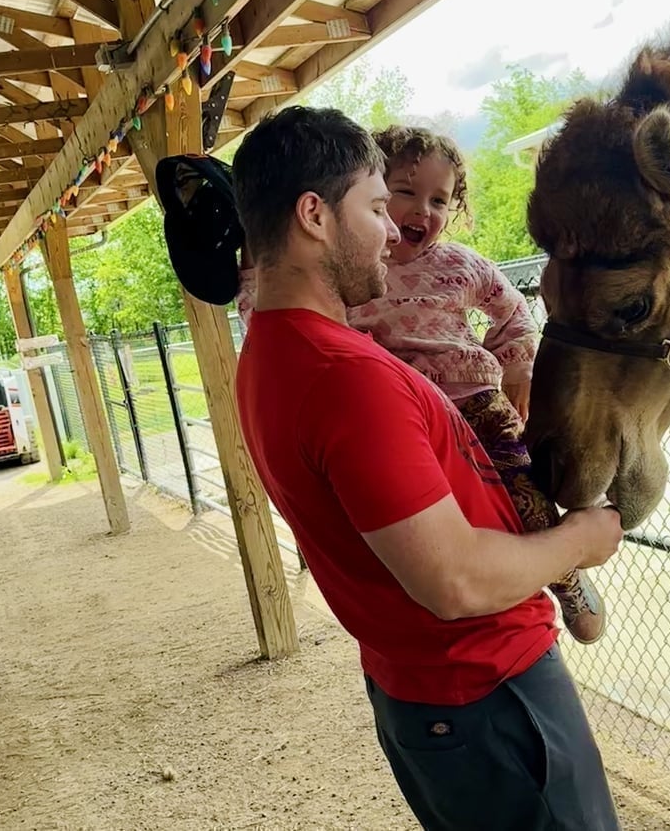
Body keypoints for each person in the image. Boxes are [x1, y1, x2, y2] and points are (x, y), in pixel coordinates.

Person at [232, 105, 624, 831]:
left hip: (423, 697)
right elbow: (454, 580)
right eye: (379, 205)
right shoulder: (346, 375)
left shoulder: (267, 357)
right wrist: (582, 543)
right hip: (489, 694)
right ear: (314, 215)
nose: (392, 228)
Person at [236, 124, 607, 645]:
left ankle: (568, 581)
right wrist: (256, 256)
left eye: (439, 200)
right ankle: (544, 568)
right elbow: (269, 303)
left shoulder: (460, 265)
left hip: (476, 401)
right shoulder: (350, 280)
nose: (419, 213)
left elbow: (512, 314)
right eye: (399, 195)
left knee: (525, 497)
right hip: (405, 418)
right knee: (435, 524)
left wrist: (519, 364)